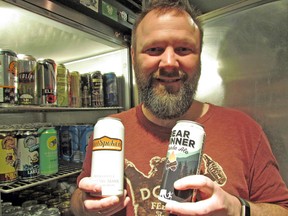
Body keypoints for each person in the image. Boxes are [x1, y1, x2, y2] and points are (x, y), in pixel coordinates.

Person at [70, 0, 288, 215]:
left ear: (199, 57)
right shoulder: (109, 131)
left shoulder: (245, 130)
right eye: (154, 49)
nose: (169, 63)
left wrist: (236, 209)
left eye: (183, 49)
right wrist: (85, 205)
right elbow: (80, 200)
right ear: (133, 56)